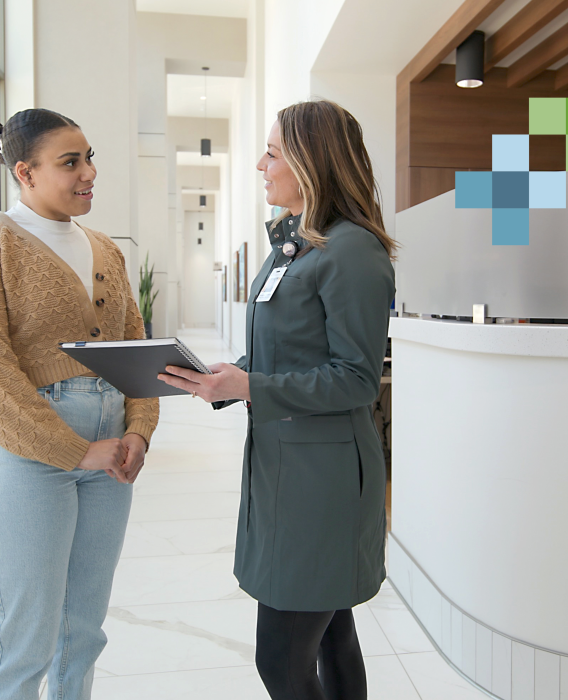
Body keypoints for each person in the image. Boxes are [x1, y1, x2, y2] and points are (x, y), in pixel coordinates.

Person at [158, 99, 396, 700]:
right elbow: (290, 350)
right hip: (285, 465)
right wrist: (229, 374)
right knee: (333, 632)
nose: (261, 165)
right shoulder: (294, 246)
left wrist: (251, 386)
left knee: (282, 658)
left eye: (273, 152)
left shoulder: (351, 251)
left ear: (313, 162)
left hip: (324, 476)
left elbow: (357, 378)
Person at [0, 108, 159, 700]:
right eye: (70, 162)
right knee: (26, 640)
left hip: (111, 454)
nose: (89, 172)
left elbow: (135, 346)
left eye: (90, 158)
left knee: (83, 631)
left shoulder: (104, 248)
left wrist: (138, 431)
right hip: (28, 456)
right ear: (25, 173)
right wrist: (73, 450)